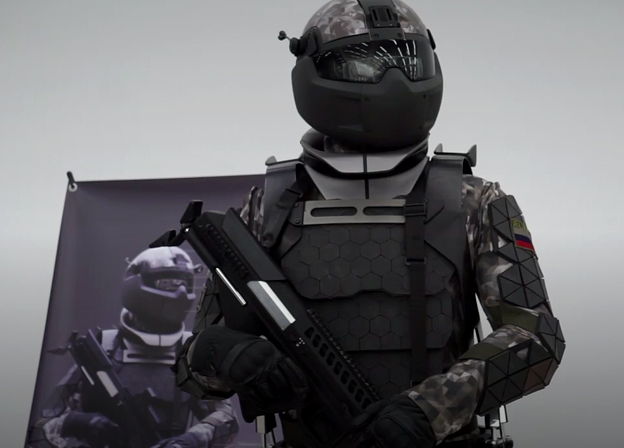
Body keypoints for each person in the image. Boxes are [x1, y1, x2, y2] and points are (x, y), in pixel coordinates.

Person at [173, 1, 566, 447]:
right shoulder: (268, 208)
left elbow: (536, 338)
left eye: (406, 62)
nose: (393, 81)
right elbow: (192, 368)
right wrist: (225, 355)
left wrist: (429, 410)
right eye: (366, 65)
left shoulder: (472, 201)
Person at [27, 247, 240, 448]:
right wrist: (75, 422)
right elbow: (40, 429)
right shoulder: (101, 349)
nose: (181, 292)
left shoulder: (190, 352)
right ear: (136, 287)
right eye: (169, 283)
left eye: (186, 283)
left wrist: (189, 441)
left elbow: (227, 419)